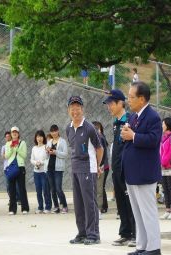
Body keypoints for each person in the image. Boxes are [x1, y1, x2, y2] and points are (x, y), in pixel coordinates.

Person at [121, 81, 162, 255]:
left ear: (142, 98)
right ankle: (142, 246)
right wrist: (125, 134)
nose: (128, 100)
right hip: (132, 172)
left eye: (131, 97)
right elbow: (129, 137)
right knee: (137, 213)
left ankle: (153, 247)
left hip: (144, 172)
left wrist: (134, 136)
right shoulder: (133, 116)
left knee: (148, 212)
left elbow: (154, 139)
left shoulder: (153, 117)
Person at [66, 96, 103, 245]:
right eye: (72, 107)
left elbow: (99, 149)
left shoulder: (89, 127)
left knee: (89, 203)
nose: (75, 110)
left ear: (82, 108)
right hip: (75, 169)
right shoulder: (68, 128)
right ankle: (82, 233)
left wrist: (97, 166)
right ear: (69, 110)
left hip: (88, 168)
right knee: (78, 203)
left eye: (77, 107)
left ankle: (93, 234)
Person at [103, 89, 136, 247]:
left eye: (110, 103)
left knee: (131, 201)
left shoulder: (129, 120)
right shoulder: (116, 123)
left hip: (128, 169)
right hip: (117, 169)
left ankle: (136, 234)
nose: (108, 107)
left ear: (120, 103)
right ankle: (125, 233)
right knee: (121, 202)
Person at [5, 126, 30, 215]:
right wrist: (12, 148)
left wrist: (17, 148)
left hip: (20, 167)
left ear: (18, 133)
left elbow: (24, 155)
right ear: (11, 134)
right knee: (11, 189)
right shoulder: (8, 144)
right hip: (11, 167)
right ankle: (12, 209)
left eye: (16, 132)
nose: (14, 133)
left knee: (22, 188)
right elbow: (7, 156)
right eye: (13, 132)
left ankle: (25, 208)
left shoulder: (22, 143)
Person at [45, 124, 68, 214]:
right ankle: (56, 207)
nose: (54, 133)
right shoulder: (49, 141)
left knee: (58, 188)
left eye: (55, 131)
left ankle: (64, 206)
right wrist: (47, 151)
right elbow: (46, 155)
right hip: (49, 167)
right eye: (52, 131)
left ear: (58, 131)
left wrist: (55, 152)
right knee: (52, 189)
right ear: (50, 132)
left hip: (58, 168)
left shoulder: (62, 141)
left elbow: (65, 154)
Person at [30, 130, 51, 214]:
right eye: (38, 136)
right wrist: (36, 163)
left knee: (45, 190)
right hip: (36, 172)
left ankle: (48, 207)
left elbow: (48, 158)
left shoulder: (46, 147)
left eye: (41, 136)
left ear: (43, 138)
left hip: (44, 171)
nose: (39, 138)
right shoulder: (34, 148)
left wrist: (41, 163)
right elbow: (31, 159)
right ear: (36, 138)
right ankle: (40, 207)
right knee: (38, 190)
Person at [160, 117, 171, 220]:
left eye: (163, 124)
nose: (162, 126)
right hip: (162, 167)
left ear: (168, 125)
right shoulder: (163, 137)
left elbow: (170, 153)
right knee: (165, 188)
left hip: (168, 167)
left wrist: (163, 162)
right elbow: (160, 152)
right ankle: (167, 209)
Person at [92, 121, 109, 217]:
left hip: (101, 167)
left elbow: (103, 154)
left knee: (99, 189)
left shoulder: (100, 138)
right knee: (97, 189)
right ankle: (98, 208)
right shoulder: (94, 138)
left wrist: (99, 166)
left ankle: (98, 210)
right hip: (95, 167)